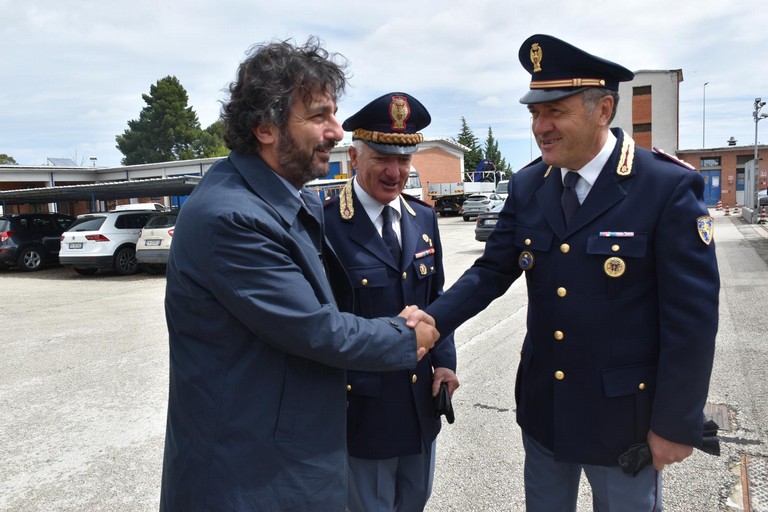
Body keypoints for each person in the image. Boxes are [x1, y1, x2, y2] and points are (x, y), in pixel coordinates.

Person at [426, 34, 719, 511]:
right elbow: (491, 270)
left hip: (624, 420)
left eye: (555, 112)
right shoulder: (529, 184)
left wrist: (675, 422)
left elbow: (692, 320)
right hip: (547, 409)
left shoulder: (664, 186)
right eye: (534, 114)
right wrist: (432, 321)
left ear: (603, 110)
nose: (540, 127)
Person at [159, 37, 439, 512]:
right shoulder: (232, 216)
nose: (336, 131)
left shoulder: (280, 199)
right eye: (318, 116)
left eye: (334, 114)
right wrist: (408, 335)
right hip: (248, 476)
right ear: (265, 128)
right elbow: (315, 329)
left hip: (281, 456)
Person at [323, 92, 459, 512]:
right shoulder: (326, 224)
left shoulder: (423, 218)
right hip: (363, 408)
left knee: (416, 500)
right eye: (382, 158)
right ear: (354, 157)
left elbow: (436, 298)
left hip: (419, 403)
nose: (394, 171)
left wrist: (445, 363)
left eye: (403, 159)